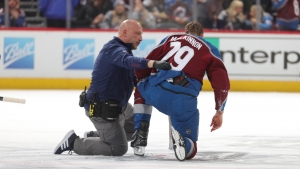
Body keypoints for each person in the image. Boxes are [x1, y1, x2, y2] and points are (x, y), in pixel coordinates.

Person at [53, 19, 171, 156]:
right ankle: (73, 142)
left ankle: (96, 135)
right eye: (138, 33)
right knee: (118, 148)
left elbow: (133, 77)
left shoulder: (123, 51)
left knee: (136, 127)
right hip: (102, 109)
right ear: (125, 32)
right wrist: (153, 63)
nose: (141, 38)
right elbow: (128, 62)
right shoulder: (114, 49)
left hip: (118, 105)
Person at [130, 21, 230, 161]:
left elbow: (148, 62)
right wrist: (219, 111)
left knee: (141, 87)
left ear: (185, 32)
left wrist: (140, 80)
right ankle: (183, 142)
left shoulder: (171, 38)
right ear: (202, 35)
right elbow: (222, 83)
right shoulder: (209, 48)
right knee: (191, 150)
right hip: (183, 96)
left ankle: (140, 131)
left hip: (156, 88)